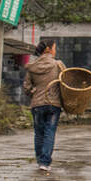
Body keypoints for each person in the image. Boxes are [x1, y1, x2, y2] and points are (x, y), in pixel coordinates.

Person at [23, 40, 66, 172]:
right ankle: (45, 162)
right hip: (53, 104)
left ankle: (40, 160)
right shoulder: (58, 65)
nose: (55, 50)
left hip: (37, 105)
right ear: (48, 49)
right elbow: (66, 83)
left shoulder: (32, 66)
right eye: (54, 47)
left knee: (39, 133)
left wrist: (34, 92)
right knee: (49, 132)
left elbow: (26, 88)